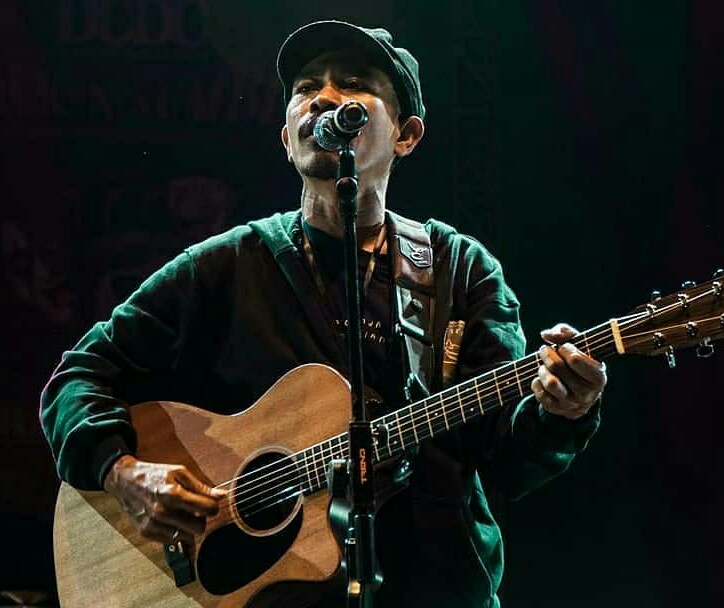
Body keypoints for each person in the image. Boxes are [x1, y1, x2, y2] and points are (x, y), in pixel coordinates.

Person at [40, 20, 607, 608]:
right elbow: (79, 375)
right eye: (307, 87)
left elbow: (508, 460)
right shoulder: (227, 267)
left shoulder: (459, 270)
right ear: (287, 137)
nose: (324, 98)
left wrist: (562, 411)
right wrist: (124, 473)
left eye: (354, 84)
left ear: (406, 135)